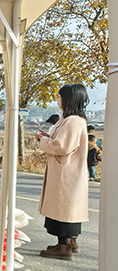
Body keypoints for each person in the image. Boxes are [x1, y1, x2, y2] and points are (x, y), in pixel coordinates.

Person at [36, 84, 90, 260]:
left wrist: (44, 140)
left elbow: (62, 146)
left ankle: (63, 247)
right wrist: (48, 137)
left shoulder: (73, 121)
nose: (57, 100)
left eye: (60, 97)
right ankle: (67, 243)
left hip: (66, 173)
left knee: (64, 208)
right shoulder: (70, 119)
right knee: (67, 207)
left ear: (69, 99)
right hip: (67, 171)